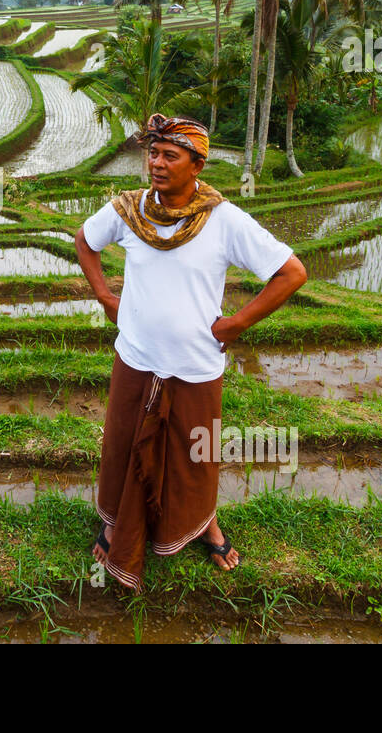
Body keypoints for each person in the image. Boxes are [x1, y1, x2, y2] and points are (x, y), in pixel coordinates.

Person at [73, 114, 306, 593]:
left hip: (196, 365)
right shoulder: (128, 210)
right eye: (152, 154)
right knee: (122, 443)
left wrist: (238, 322)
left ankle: (204, 525)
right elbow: (85, 241)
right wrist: (106, 298)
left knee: (195, 454)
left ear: (196, 164)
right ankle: (116, 522)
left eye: (169, 156)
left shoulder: (223, 220)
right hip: (136, 356)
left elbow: (292, 272)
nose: (156, 164)